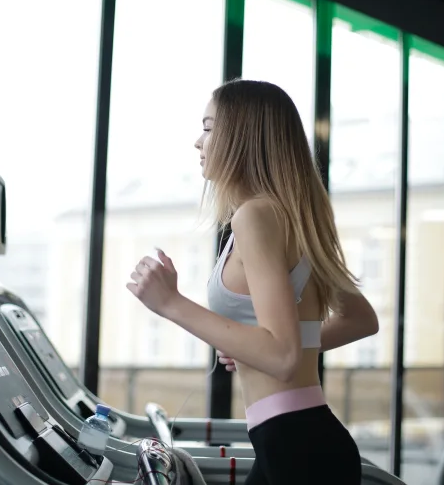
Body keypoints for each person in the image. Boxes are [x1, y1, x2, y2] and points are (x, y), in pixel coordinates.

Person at [127, 79, 379, 484]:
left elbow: (281, 355)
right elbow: (360, 320)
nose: (198, 141)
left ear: (241, 136)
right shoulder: (295, 216)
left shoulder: (255, 217)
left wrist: (171, 303)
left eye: (208, 128)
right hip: (298, 440)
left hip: (295, 447)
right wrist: (249, 350)